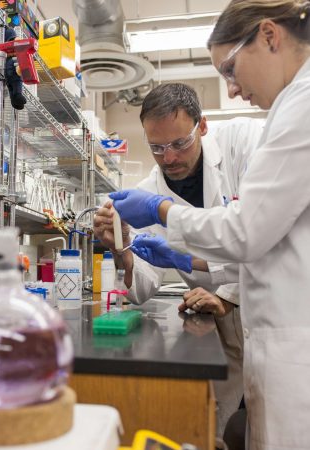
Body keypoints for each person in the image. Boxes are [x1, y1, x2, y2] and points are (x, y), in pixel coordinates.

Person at [110, 1, 310, 449]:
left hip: (290, 334)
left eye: (231, 69)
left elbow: (247, 232)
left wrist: (164, 215)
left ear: (269, 37)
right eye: (158, 149)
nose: (233, 89)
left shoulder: (287, 114)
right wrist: (126, 247)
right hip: (271, 329)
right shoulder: (293, 105)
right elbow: (144, 280)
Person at [93, 82, 263, 439]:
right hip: (216, 324)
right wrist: (120, 248)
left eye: (179, 143)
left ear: (202, 126)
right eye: (156, 148)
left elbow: (259, 233)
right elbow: (142, 287)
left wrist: (226, 294)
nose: (169, 158)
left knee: (274, 425)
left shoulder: (243, 141)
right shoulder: (147, 193)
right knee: (219, 427)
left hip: (266, 310)